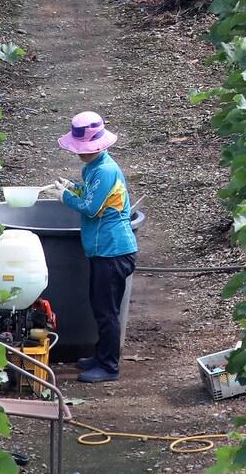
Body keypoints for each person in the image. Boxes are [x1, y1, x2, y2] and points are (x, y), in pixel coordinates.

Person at [52, 111, 137, 383]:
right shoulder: (92, 168)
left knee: (106, 311)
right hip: (102, 250)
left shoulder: (106, 170)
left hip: (114, 251)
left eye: (83, 148)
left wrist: (65, 197)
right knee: (99, 307)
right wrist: (72, 187)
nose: (79, 153)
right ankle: (101, 355)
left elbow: (90, 207)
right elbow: (90, 194)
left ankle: (109, 366)